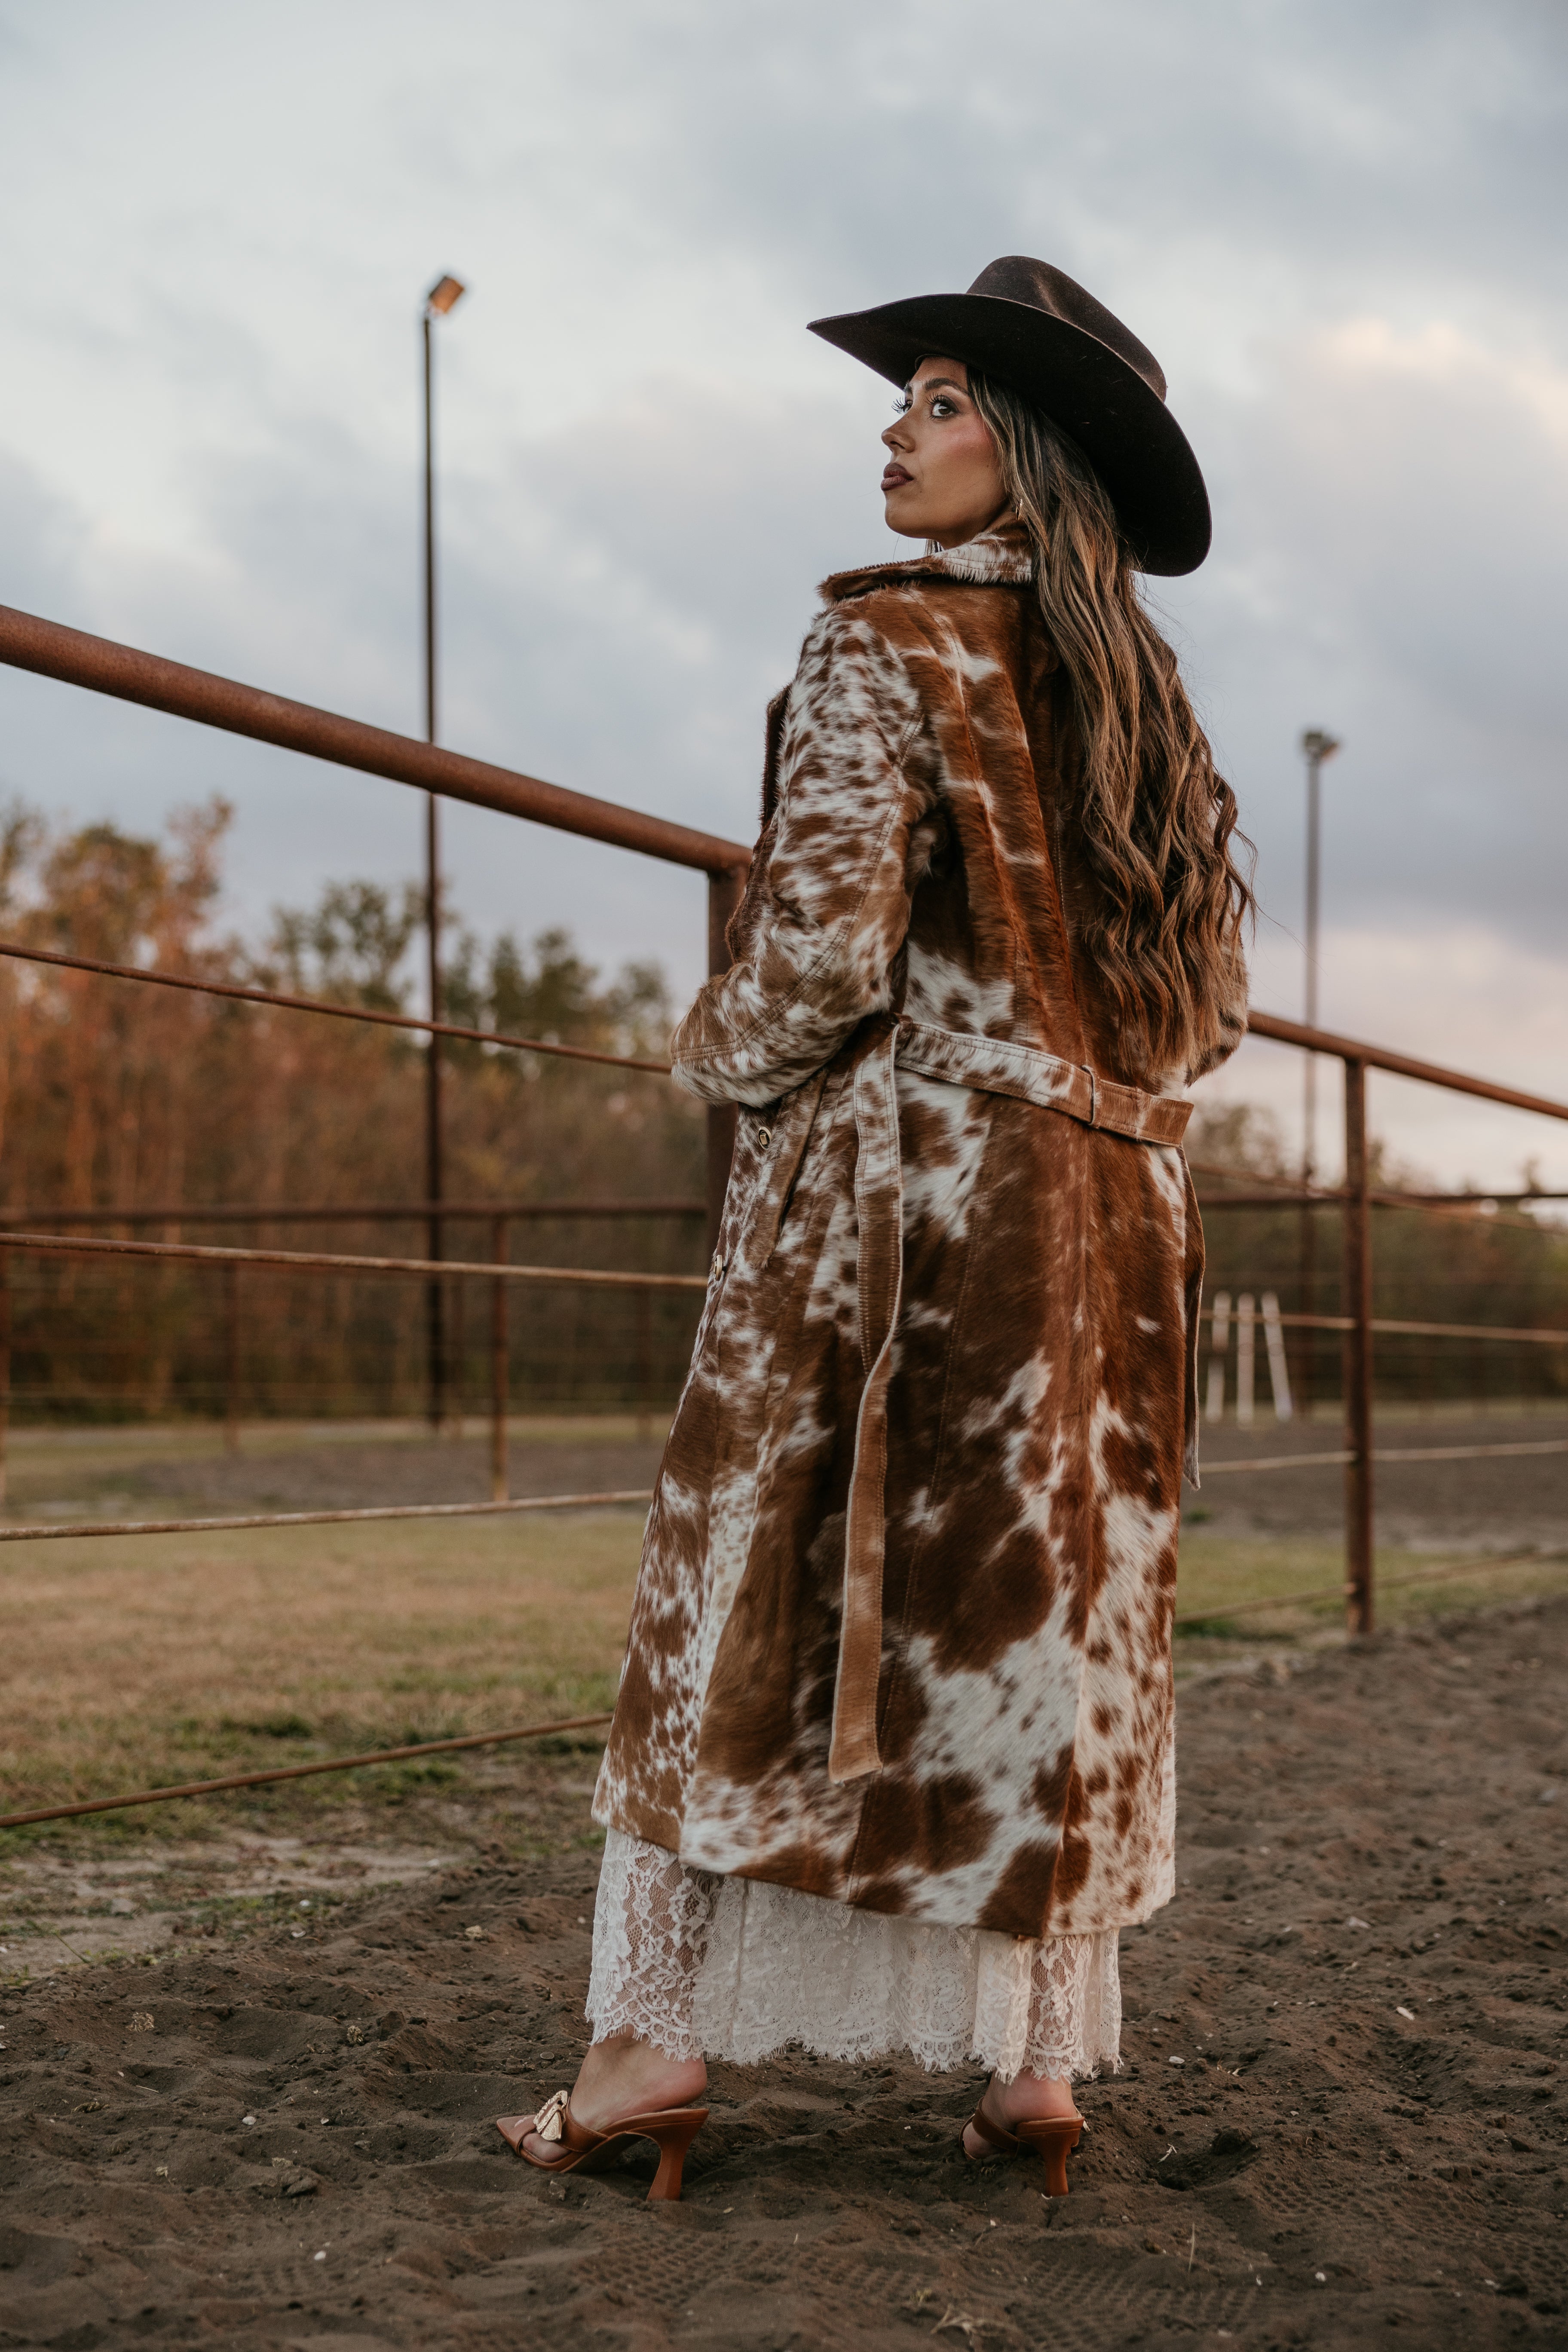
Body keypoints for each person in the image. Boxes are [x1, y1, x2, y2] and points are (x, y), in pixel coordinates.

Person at [498, 256, 1252, 2202]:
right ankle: (1030, 2075)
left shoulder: (881, 645)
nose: (894, 431)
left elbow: (819, 957)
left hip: (903, 1215)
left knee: (747, 1592)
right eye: (907, 399)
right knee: (1051, 1627)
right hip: (1109, 1227)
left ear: (1032, 450)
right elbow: (1211, 1017)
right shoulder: (1147, 710)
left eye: (935, 401)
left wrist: (711, 1058)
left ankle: (647, 2055)